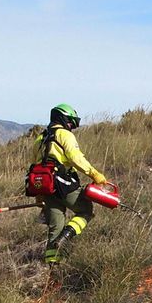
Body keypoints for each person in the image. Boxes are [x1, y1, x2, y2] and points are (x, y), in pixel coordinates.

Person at [34, 103, 112, 266]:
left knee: (55, 228)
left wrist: (39, 195)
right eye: (70, 122)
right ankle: (66, 237)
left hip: (46, 187)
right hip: (63, 183)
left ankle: (53, 269)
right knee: (85, 210)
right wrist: (94, 174)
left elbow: (35, 166)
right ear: (62, 118)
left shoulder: (40, 138)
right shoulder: (64, 135)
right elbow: (76, 158)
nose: (71, 127)